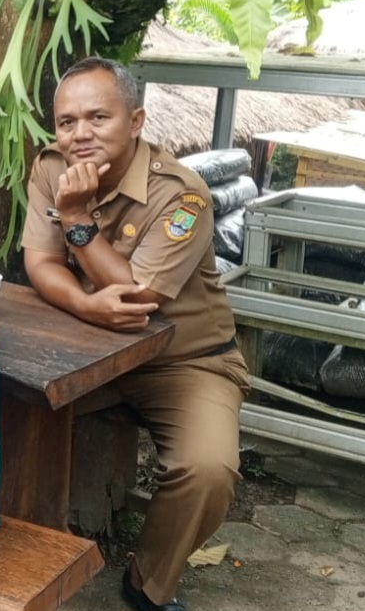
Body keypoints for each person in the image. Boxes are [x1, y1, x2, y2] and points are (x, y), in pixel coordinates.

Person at [21, 57, 249, 611]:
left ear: (136, 121)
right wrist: (85, 304)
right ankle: (15, 553)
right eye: (67, 121)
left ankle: (147, 582)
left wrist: (77, 219)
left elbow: (136, 298)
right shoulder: (51, 168)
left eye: (98, 117)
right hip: (85, 345)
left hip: (183, 359)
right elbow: (40, 261)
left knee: (208, 469)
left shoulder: (181, 194)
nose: (80, 134)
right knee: (0, 408)